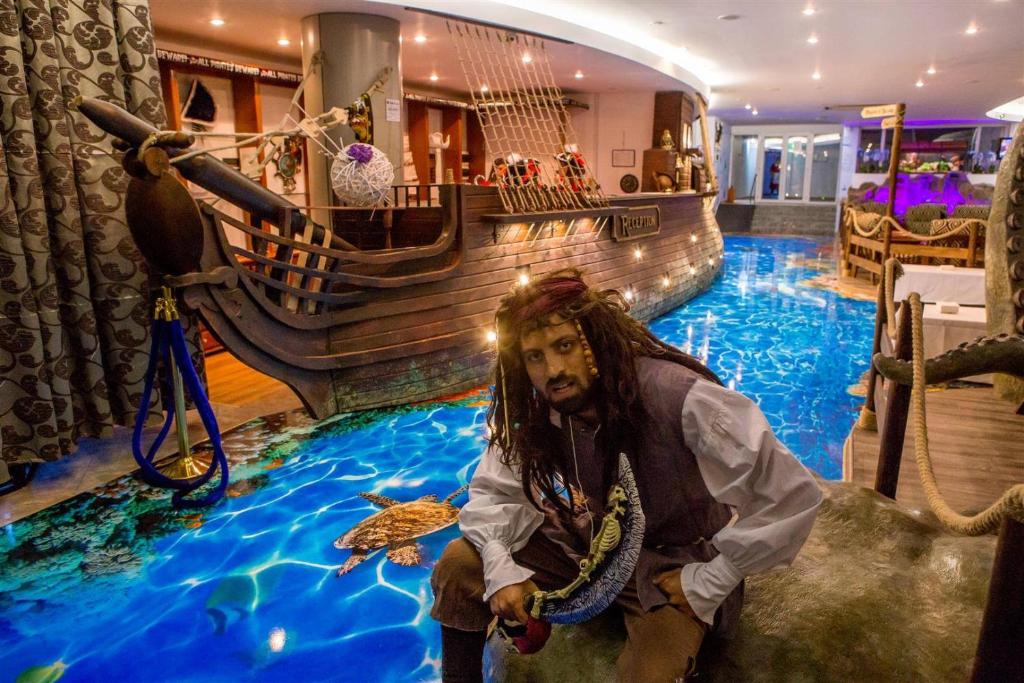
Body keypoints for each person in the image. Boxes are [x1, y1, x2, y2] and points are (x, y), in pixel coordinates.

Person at [430, 270, 822, 682]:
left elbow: (792, 494)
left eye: (564, 346)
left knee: (648, 676)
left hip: (673, 565)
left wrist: (711, 580)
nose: (554, 370)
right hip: (589, 544)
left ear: (594, 341)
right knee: (459, 566)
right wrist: (501, 572)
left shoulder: (681, 399)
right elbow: (494, 493)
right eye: (535, 357)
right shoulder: (541, 411)